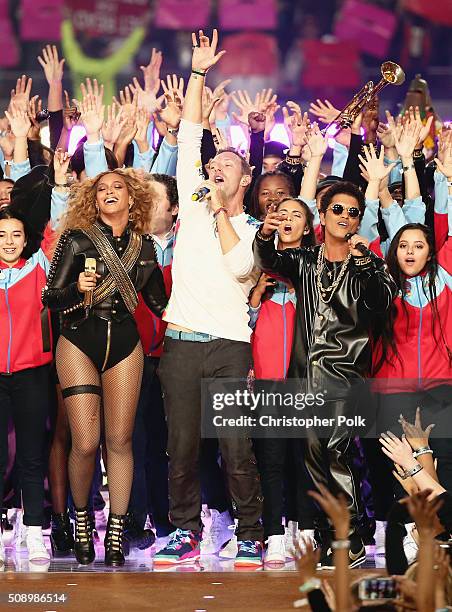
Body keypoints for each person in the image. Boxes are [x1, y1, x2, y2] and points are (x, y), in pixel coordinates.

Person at [154, 29, 264, 567]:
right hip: (182, 342)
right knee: (181, 448)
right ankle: (183, 532)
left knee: (236, 449)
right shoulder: (192, 202)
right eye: (211, 165)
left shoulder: (251, 227)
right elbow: (193, 127)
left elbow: (241, 267)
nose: (215, 168)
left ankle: (249, 532)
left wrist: (220, 207)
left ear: (244, 179)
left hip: (230, 347)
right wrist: (197, 73)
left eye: (227, 166)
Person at [254, 162, 397, 567]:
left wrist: (367, 262)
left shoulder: (367, 265)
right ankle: (333, 531)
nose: (346, 217)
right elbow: (268, 259)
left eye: (354, 212)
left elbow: (380, 304)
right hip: (305, 378)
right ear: (323, 212)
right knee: (316, 457)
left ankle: (348, 536)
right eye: (338, 210)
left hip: (345, 377)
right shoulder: (304, 260)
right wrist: (267, 231)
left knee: (334, 453)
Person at [42, 168, 168, 566]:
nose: (109, 193)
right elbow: (51, 297)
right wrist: (77, 290)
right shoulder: (76, 240)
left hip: (126, 345)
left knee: (120, 440)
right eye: (102, 190)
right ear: (93, 201)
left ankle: (115, 532)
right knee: (84, 441)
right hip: (78, 341)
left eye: (117, 188)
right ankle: (82, 523)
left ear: (132, 199)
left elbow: (162, 305)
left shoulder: (146, 247)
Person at [249, 196, 317, 564]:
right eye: (282, 214)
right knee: (271, 460)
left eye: (297, 216)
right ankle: (274, 534)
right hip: (267, 382)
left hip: (305, 382)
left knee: (304, 459)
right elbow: (240, 324)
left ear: (308, 227)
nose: (288, 220)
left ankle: (305, 530)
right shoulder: (259, 266)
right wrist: (257, 296)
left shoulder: (317, 267)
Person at [0, 208, 52, 566]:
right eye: (1, 234)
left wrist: (60, 186)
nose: (8, 242)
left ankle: (34, 531)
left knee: (32, 457)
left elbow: (53, 233)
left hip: (32, 374)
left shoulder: (37, 268)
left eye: (16, 234)